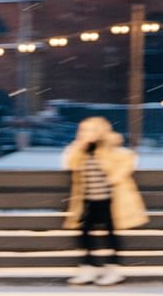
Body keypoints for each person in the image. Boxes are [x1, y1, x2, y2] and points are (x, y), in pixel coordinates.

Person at [62, 116, 148, 286]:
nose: (87, 134)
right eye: (84, 131)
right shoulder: (81, 150)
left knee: (110, 235)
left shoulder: (110, 148)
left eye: (91, 131)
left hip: (110, 201)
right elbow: (70, 164)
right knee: (83, 233)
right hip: (87, 201)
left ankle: (113, 268)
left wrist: (114, 177)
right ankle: (88, 267)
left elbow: (128, 158)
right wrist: (79, 146)